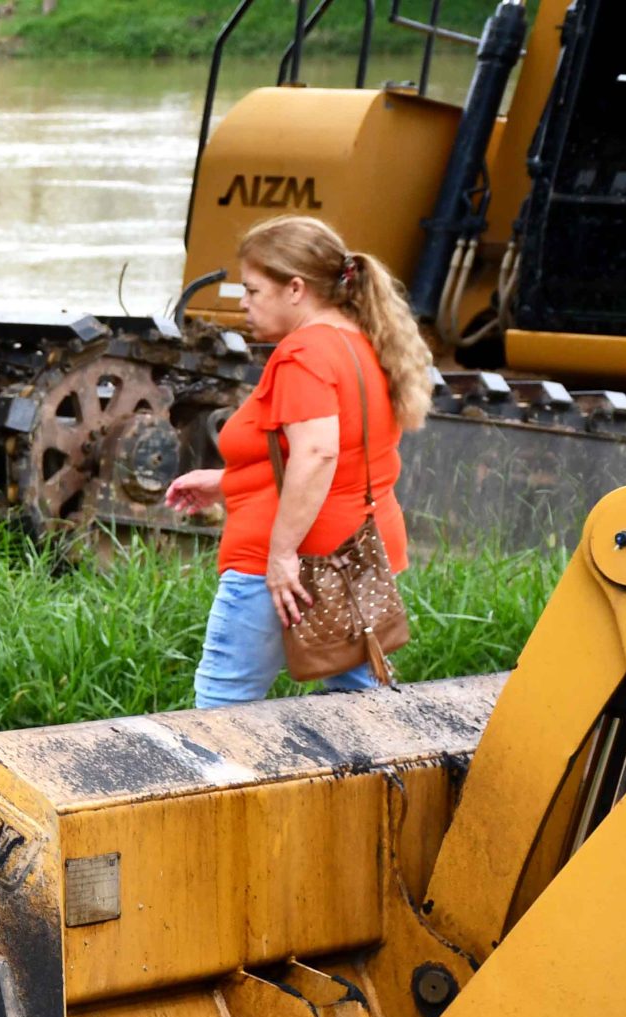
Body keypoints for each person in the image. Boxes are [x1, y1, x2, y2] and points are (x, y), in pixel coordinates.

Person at [164, 214, 432, 708]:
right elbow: (344, 452)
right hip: (360, 552)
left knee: (224, 706)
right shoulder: (361, 343)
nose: (242, 303)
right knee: (362, 705)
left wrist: (282, 555)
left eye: (252, 289)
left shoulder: (301, 354)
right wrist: (228, 481)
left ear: (294, 288)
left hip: (291, 562)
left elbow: (318, 452)